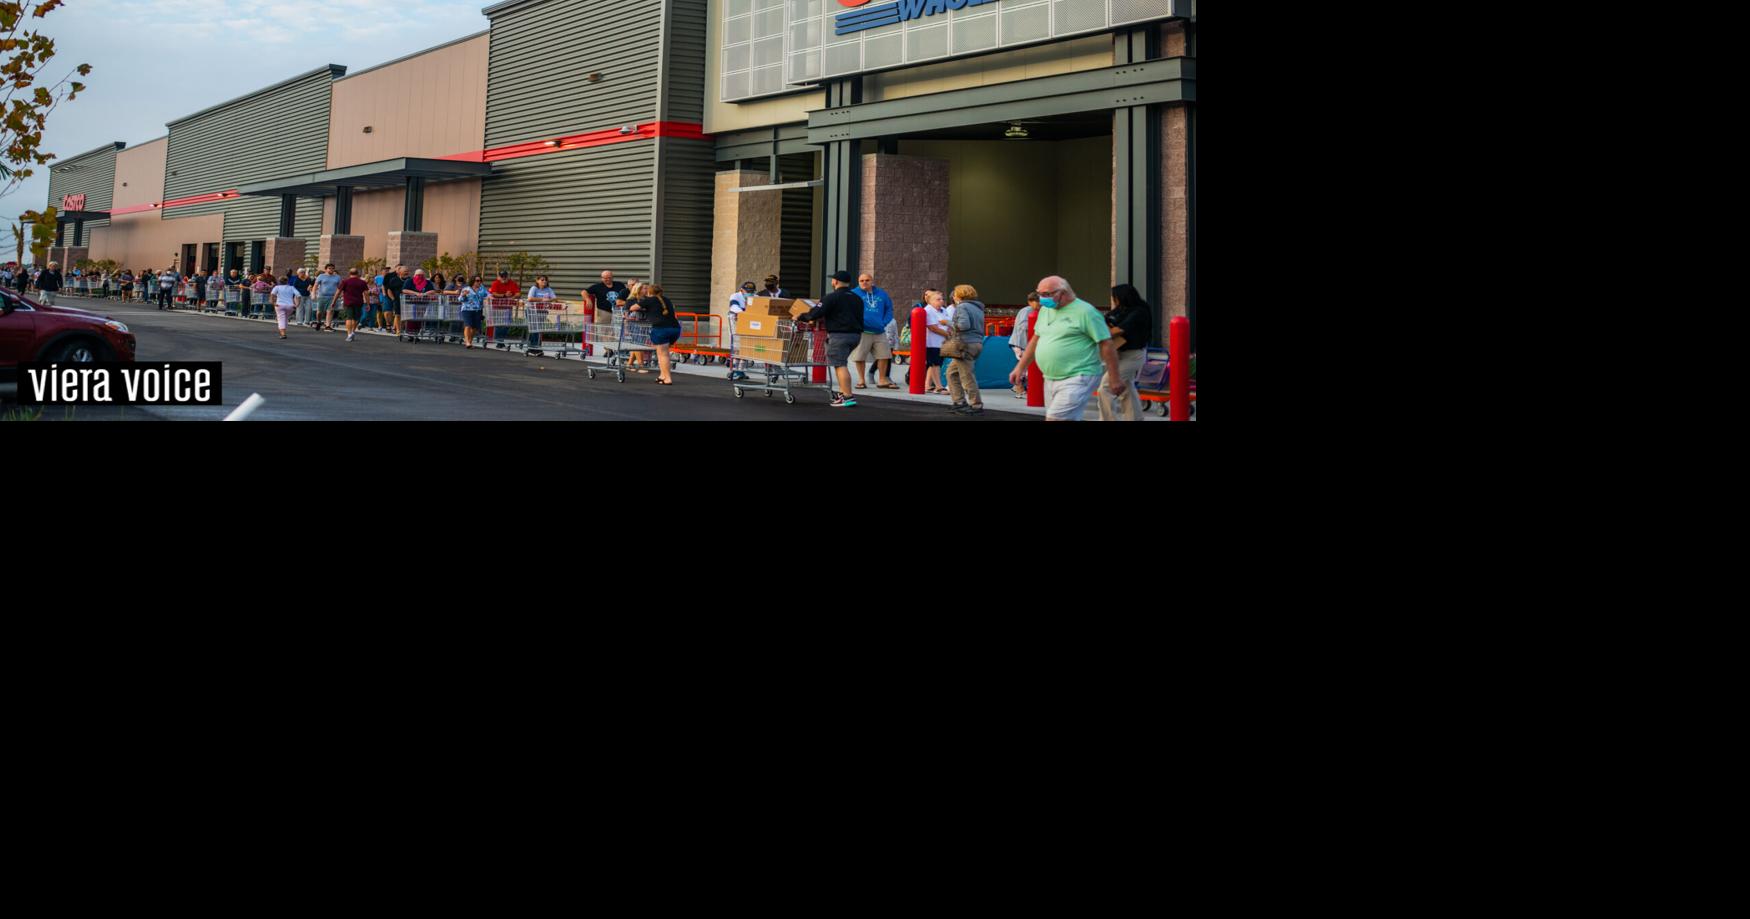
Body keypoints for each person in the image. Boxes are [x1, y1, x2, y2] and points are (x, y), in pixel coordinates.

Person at [1008, 276, 1126, 422]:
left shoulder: (1086, 312)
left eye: (1046, 294)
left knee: (1055, 418)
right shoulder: (1045, 311)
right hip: (1051, 377)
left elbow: (1106, 343)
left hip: (1079, 375)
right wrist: (1020, 367)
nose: (1041, 299)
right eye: (1040, 294)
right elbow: (1036, 340)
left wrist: (1114, 377)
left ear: (1062, 293)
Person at [794, 269, 866, 408]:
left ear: (835, 281)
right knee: (841, 363)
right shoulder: (857, 298)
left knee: (840, 365)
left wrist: (801, 316)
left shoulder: (831, 297)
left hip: (839, 335)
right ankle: (843, 393)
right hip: (856, 335)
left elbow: (815, 313)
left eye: (832, 280)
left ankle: (848, 396)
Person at [1098, 284, 1154, 422]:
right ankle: (1135, 418)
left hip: (1133, 355)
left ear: (1123, 297)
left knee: (1105, 388)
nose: (1114, 301)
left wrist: (1100, 330)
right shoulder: (1121, 310)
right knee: (1127, 388)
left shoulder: (1139, 311)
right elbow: (1107, 320)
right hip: (1119, 354)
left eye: (1115, 298)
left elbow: (1117, 331)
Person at [944, 284, 987, 415]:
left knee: (966, 376)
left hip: (965, 345)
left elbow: (963, 325)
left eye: (955, 294)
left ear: (960, 295)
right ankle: (959, 402)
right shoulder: (978, 308)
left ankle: (976, 405)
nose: (953, 297)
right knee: (951, 373)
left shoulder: (962, 307)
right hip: (977, 343)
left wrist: (948, 323)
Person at [851, 272, 897, 390]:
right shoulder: (853, 293)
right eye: (861, 281)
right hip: (862, 331)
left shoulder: (882, 294)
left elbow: (889, 309)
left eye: (867, 280)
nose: (864, 282)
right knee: (860, 357)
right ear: (858, 282)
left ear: (872, 281)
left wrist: (884, 322)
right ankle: (861, 380)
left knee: (884, 356)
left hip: (879, 331)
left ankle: (882, 380)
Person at [641, 283, 682, 385]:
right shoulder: (667, 300)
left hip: (661, 329)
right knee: (661, 354)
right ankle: (662, 375)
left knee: (663, 354)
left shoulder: (649, 300)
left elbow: (633, 307)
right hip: (675, 328)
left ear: (649, 292)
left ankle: (668, 378)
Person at [922, 289, 953, 394]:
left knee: (937, 364)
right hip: (932, 342)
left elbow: (948, 323)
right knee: (935, 364)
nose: (941, 301)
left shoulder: (943, 310)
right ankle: (939, 387)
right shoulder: (928, 310)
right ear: (930, 301)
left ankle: (927, 385)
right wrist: (948, 335)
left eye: (942, 299)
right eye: (938, 299)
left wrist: (949, 330)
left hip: (942, 342)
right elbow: (933, 327)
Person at [1009, 292, 1039, 398]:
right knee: (1025, 366)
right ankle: (1019, 388)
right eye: (1037, 302)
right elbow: (1024, 326)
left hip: (1028, 343)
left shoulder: (1038, 311)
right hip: (1020, 343)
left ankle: (1018, 386)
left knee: (1027, 366)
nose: (1039, 304)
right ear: (1030, 302)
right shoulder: (1027, 311)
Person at [726, 279, 756, 381]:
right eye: (748, 291)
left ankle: (741, 370)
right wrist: (744, 314)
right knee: (737, 346)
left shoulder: (755, 297)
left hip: (748, 323)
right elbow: (734, 307)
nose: (750, 293)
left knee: (746, 346)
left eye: (751, 292)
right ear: (742, 290)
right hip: (736, 322)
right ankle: (735, 369)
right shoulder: (735, 296)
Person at [524, 274, 555, 355]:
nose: (544, 281)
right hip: (531, 311)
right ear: (537, 281)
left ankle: (536, 347)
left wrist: (549, 300)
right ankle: (534, 348)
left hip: (542, 311)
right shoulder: (534, 288)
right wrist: (542, 299)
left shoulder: (548, 289)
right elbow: (530, 298)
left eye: (545, 280)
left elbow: (554, 298)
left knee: (539, 329)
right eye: (542, 280)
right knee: (534, 329)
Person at [336, 267, 370, 342]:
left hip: (348, 302)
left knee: (349, 318)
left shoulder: (345, 281)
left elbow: (338, 292)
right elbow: (366, 294)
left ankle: (349, 334)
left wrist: (334, 301)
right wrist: (368, 304)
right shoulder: (362, 282)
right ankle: (353, 332)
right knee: (355, 318)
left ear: (349, 273)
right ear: (358, 273)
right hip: (358, 302)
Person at [458, 275, 488, 349]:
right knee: (468, 325)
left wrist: (491, 297)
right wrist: (463, 295)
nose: (479, 282)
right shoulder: (466, 289)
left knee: (475, 327)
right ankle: (467, 342)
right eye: (477, 281)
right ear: (473, 281)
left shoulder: (482, 289)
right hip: (467, 310)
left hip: (478, 310)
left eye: (480, 281)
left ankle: (470, 341)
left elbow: (488, 294)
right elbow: (460, 299)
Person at [313, 263, 343, 330]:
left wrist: (340, 294)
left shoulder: (337, 277)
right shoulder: (321, 276)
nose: (331, 270)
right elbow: (315, 285)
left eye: (333, 268)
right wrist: (313, 294)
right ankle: (319, 322)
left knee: (330, 311)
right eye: (329, 268)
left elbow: (340, 286)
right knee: (319, 312)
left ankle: (328, 326)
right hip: (322, 296)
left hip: (332, 297)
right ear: (326, 269)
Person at [270, 273, 300, 340]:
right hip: (290, 306)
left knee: (281, 319)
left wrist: (273, 303)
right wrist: (297, 304)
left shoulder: (277, 287)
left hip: (280, 305)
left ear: (279, 281)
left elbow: (272, 295)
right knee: (285, 318)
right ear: (287, 281)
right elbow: (298, 295)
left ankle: (283, 334)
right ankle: (283, 331)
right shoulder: (291, 287)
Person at [383, 264, 407, 337]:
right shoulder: (391, 278)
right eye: (405, 271)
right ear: (399, 271)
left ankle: (397, 328)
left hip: (406, 300)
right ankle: (394, 327)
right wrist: (393, 299)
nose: (407, 272)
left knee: (403, 315)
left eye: (407, 271)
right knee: (395, 314)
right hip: (393, 298)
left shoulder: (408, 279)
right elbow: (387, 288)